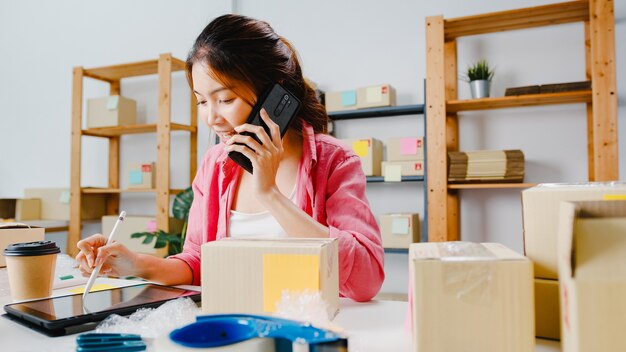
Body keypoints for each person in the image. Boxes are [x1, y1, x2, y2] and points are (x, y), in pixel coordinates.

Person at [75, 14, 384, 302]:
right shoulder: (215, 165)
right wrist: (134, 264)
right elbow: (198, 262)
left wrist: (270, 195)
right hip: (231, 323)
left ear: (275, 96)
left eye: (224, 99)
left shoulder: (334, 161)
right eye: (202, 102)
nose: (211, 118)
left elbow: (367, 280)